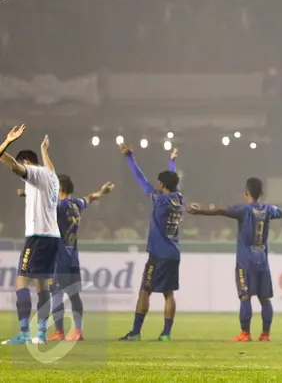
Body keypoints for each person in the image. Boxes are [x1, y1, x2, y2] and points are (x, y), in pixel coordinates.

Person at [187, 177, 282, 342]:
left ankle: (245, 333)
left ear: (246, 193)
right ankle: (265, 334)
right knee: (265, 298)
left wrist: (200, 211)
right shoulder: (268, 209)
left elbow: (220, 210)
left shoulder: (244, 210)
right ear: (261, 193)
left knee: (245, 296)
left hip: (245, 261)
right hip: (262, 260)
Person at [33, 176, 114, 342]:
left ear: (60, 189)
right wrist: (102, 191)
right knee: (74, 295)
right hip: (73, 256)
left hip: (59, 256)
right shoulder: (76, 204)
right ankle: (77, 331)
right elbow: (90, 198)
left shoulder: (59, 206)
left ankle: (59, 332)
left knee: (56, 293)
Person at [1, 127, 61, 345]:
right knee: (42, 286)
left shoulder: (33, 173)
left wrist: (6, 142)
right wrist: (44, 149)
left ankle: (25, 333)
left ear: (26, 162)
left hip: (37, 237)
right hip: (53, 236)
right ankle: (42, 334)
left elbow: (12, 165)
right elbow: (50, 168)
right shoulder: (53, 177)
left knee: (21, 280)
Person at [119, 145, 182, 341]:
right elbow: (173, 180)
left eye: (159, 183)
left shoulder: (159, 200)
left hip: (158, 254)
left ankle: (136, 332)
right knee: (168, 293)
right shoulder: (178, 198)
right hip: (173, 253)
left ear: (162, 185)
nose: (156, 185)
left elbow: (141, 179)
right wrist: (171, 162)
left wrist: (130, 157)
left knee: (144, 291)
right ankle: (166, 334)